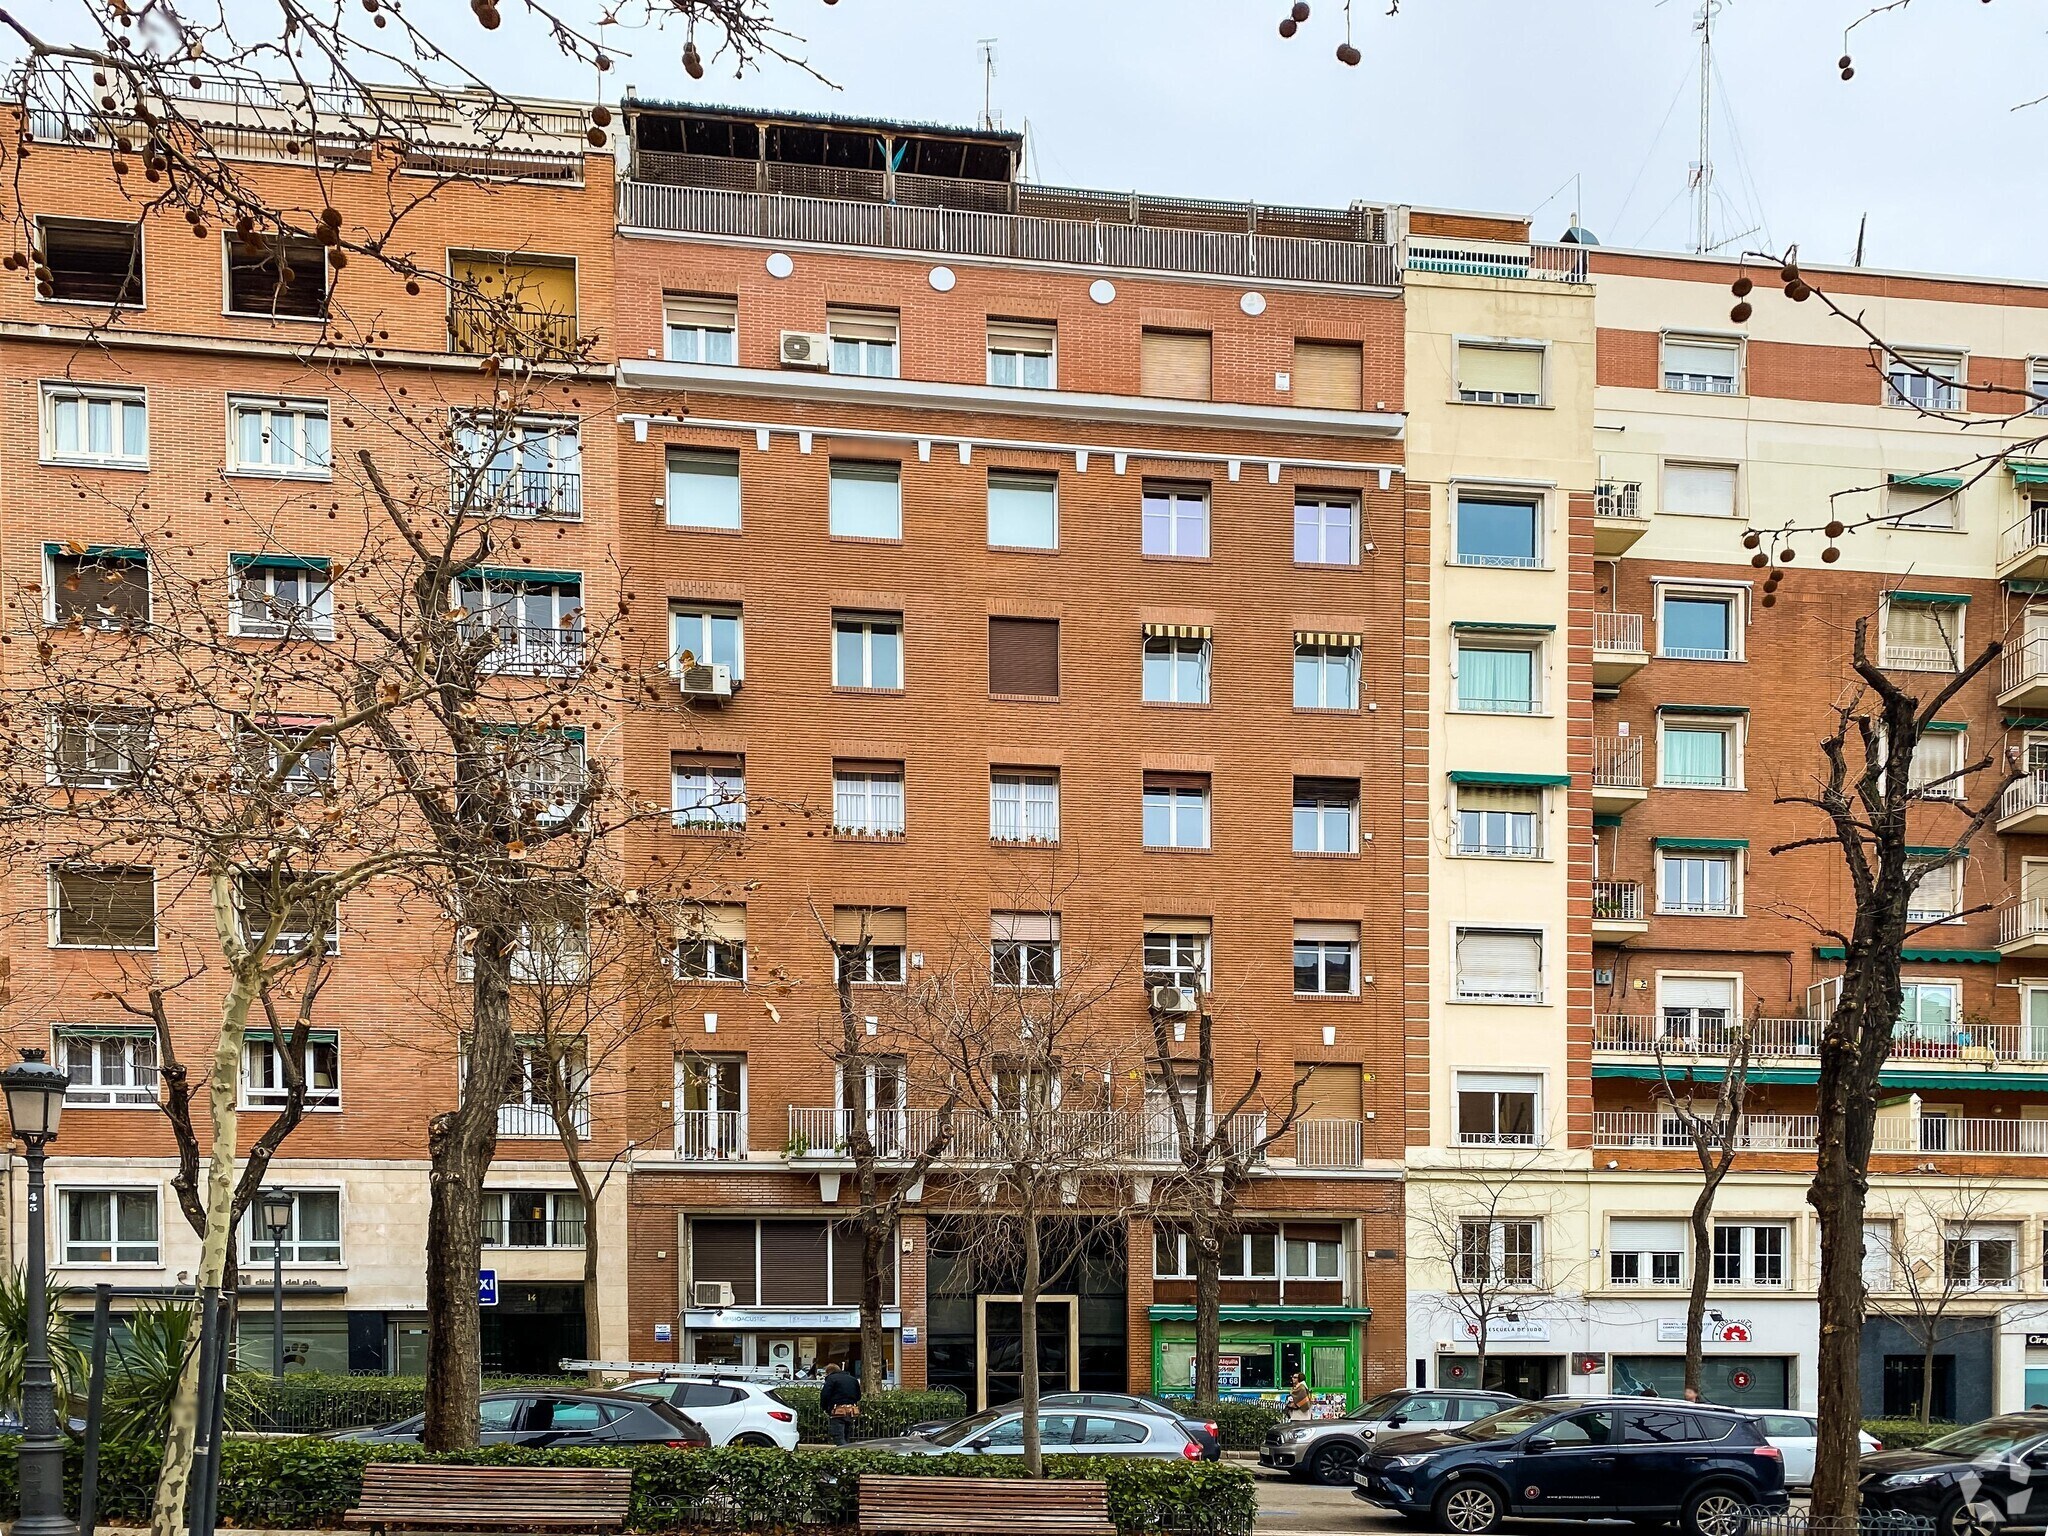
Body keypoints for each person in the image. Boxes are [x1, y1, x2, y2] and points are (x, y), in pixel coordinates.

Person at [820, 1358, 862, 1446]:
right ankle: (848, 1452)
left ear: (829, 1372)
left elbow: (825, 1395)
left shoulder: (831, 1379)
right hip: (851, 1411)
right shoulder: (853, 1379)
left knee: (838, 1436)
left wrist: (825, 1408)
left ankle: (844, 1453)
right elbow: (858, 1396)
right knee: (846, 1435)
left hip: (837, 1411)